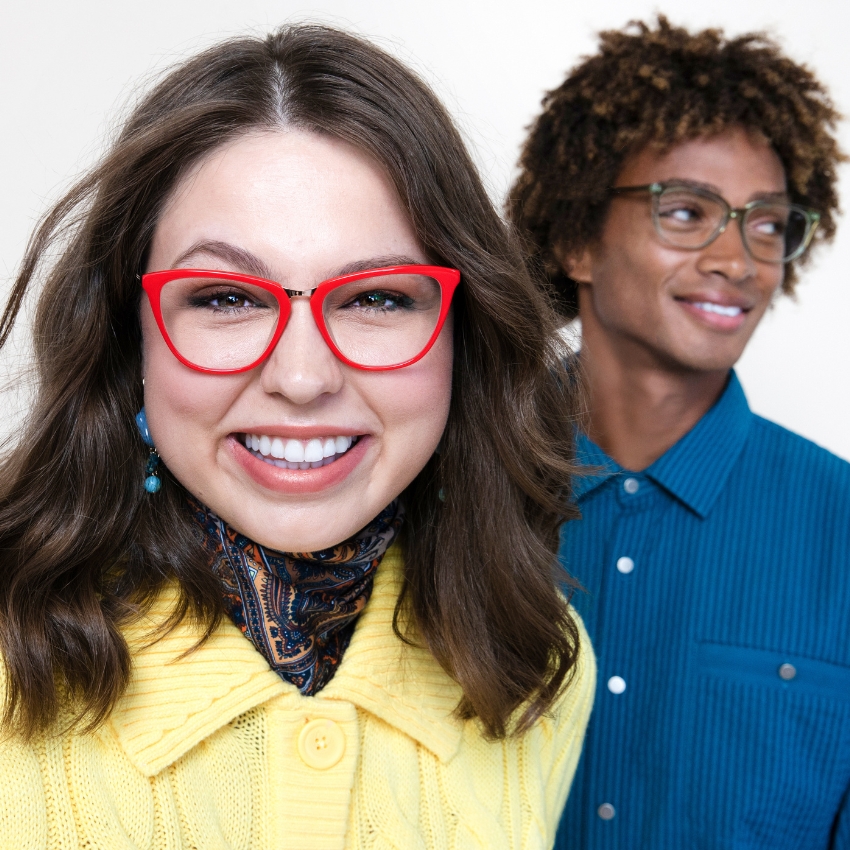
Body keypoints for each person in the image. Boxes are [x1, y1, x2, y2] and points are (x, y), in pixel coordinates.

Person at [0, 24, 595, 848]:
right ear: (126, 335)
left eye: (379, 298)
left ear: (467, 337)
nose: (304, 378)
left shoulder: (539, 659)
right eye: (225, 297)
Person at [508, 15, 850, 849]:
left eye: (767, 224)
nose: (740, 260)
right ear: (578, 238)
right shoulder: (448, 486)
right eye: (688, 211)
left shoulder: (840, 525)